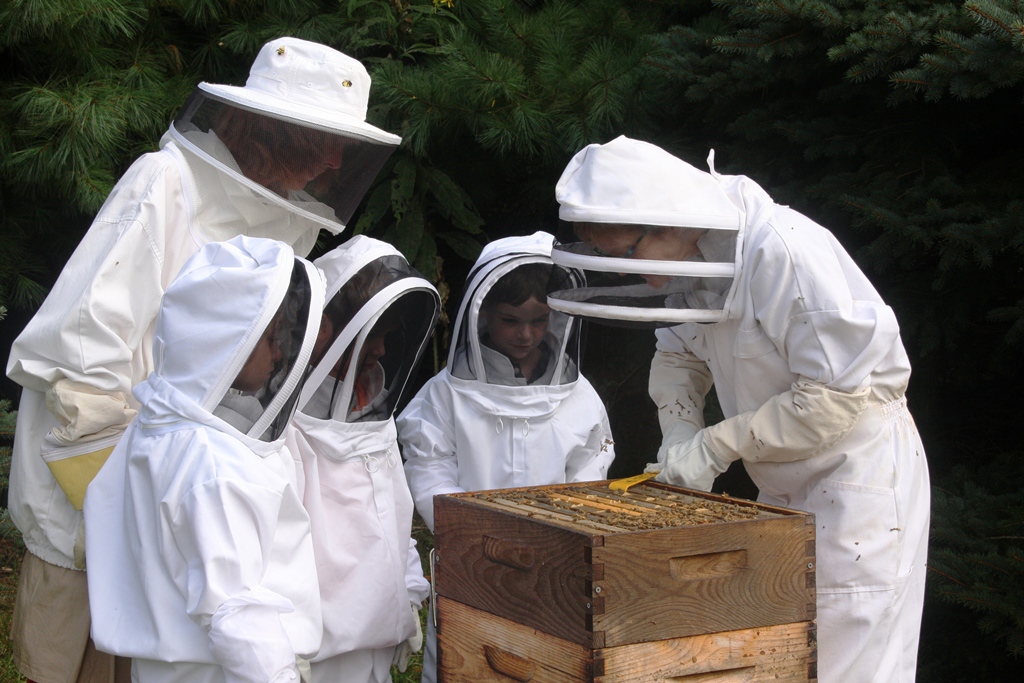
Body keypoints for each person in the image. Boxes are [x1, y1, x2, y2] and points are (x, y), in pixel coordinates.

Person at [4, 36, 401, 683]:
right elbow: (81, 360)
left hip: (209, 511)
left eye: (342, 145)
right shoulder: (164, 183)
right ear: (261, 127)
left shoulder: (293, 224)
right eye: (315, 138)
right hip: (100, 495)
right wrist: (124, 506)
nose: (332, 159)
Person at [548, 135, 930, 683]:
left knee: (848, 662)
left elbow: (832, 401)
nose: (621, 268)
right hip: (781, 483)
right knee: (783, 655)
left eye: (625, 253)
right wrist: (679, 434)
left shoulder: (785, 252)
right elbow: (678, 350)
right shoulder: (693, 257)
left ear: (669, 223)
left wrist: (711, 447)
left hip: (856, 482)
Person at [82, 236, 326, 682]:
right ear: (225, 336)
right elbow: (236, 614)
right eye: (270, 338)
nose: (279, 354)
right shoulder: (214, 466)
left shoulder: (157, 421)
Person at [396, 231, 616, 683]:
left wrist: (560, 537)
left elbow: (589, 473)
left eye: (539, 320)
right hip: (473, 563)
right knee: (470, 659)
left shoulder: (580, 396)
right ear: (482, 319)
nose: (526, 334)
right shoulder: (445, 396)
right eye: (510, 320)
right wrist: (482, 537)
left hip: (559, 566)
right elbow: (429, 470)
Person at [284, 236, 440, 683]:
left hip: (372, 636)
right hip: (312, 648)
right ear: (326, 331)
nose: (382, 352)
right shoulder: (282, 426)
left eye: (389, 338)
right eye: (374, 337)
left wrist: (408, 589)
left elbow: (393, 511)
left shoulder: (374, 407)